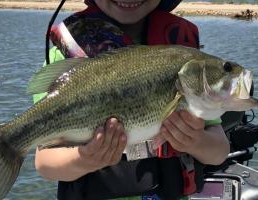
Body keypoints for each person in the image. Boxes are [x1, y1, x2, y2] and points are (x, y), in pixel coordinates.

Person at [34, 0, 230, 199]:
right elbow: (44, 163)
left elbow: (219, 151)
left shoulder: (185, 61)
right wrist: (84, 158)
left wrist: (195, 141)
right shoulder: (65, 55)